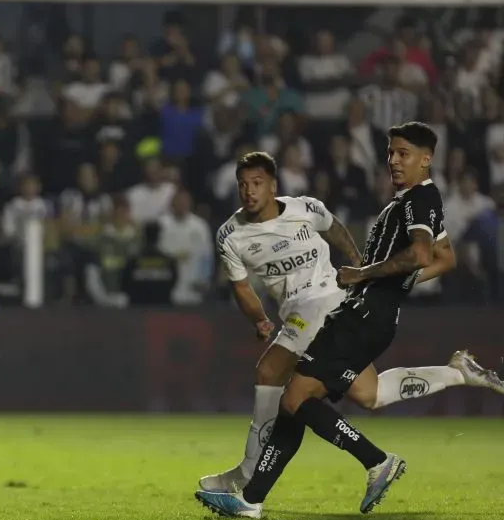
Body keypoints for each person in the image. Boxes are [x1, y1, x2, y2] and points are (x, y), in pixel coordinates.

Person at [198, 148, 503, 497]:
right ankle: (458, 372)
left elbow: (336, 229)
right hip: (304, 313)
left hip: (328, 301)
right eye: (243, 184)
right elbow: (241, 287)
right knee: (370, 395)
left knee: (270, 372)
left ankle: (249, 473)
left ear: (273, 185)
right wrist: (259, 318)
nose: (249, 191)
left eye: (257, 183)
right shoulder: (230, 235)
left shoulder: (305, 208)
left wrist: (358, 264)